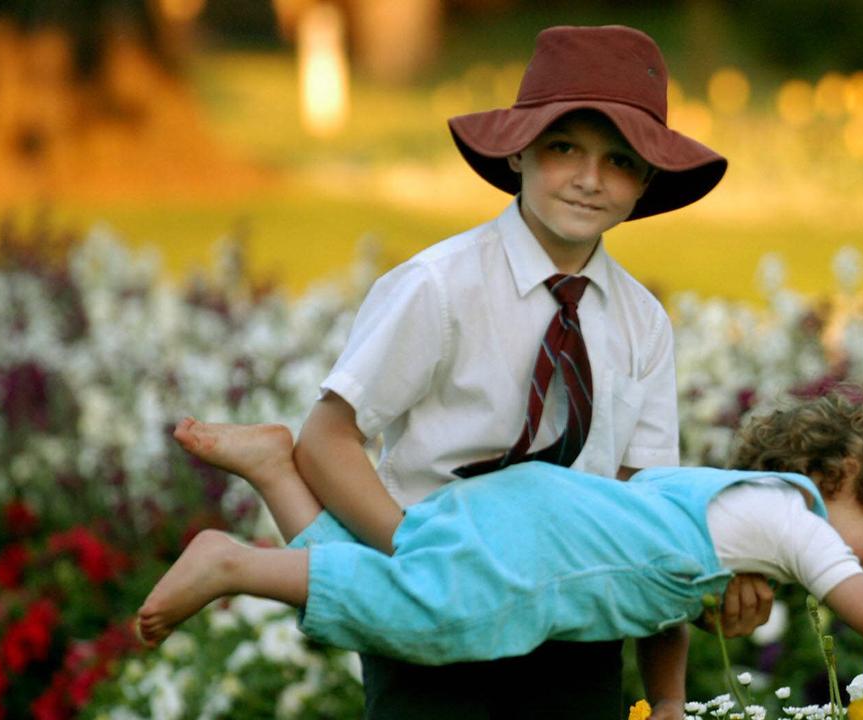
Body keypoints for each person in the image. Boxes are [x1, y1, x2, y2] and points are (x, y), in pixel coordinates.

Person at [279, 23, 763, 719]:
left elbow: (642, 514)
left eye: (619, 161)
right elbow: (326, 439)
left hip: (578, 643)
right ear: (519, 153)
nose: (589, 179)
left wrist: (667, 698)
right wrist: (423, 560)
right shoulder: (440, 287)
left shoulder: (642, 324)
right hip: (432, 627)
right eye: (563, 148)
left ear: (646, 179)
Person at [138, 396, 863, 717]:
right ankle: (232, 565)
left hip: (533, 511)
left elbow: (662, 615)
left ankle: (272, 469)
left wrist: (671, 705)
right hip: (537, 552)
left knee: (389, 587)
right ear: (839, 480)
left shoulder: (718, 507)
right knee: (428, 618)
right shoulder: (794, 521)